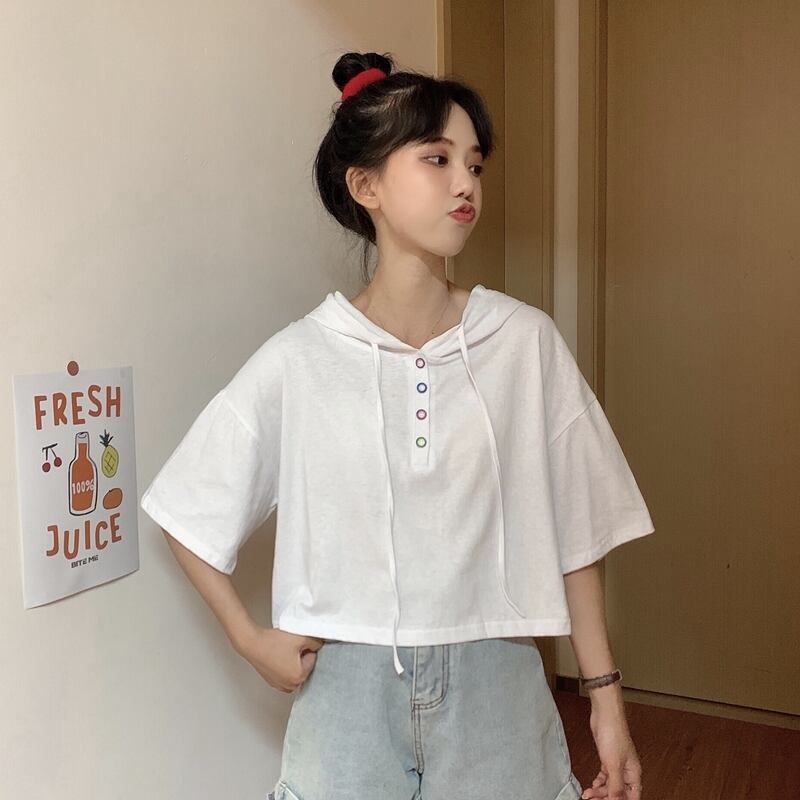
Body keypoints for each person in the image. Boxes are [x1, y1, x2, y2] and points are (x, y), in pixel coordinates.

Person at [140, 51, 654, 800]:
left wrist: (605, 697)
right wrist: (250, 642)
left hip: (498, 680)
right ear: (366, 185)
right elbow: (186, 508)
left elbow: (579, 527)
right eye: (437, 159)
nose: (465, 183)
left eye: (474, 164)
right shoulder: (301, 358)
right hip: (346, 692)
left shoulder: (524, 341)